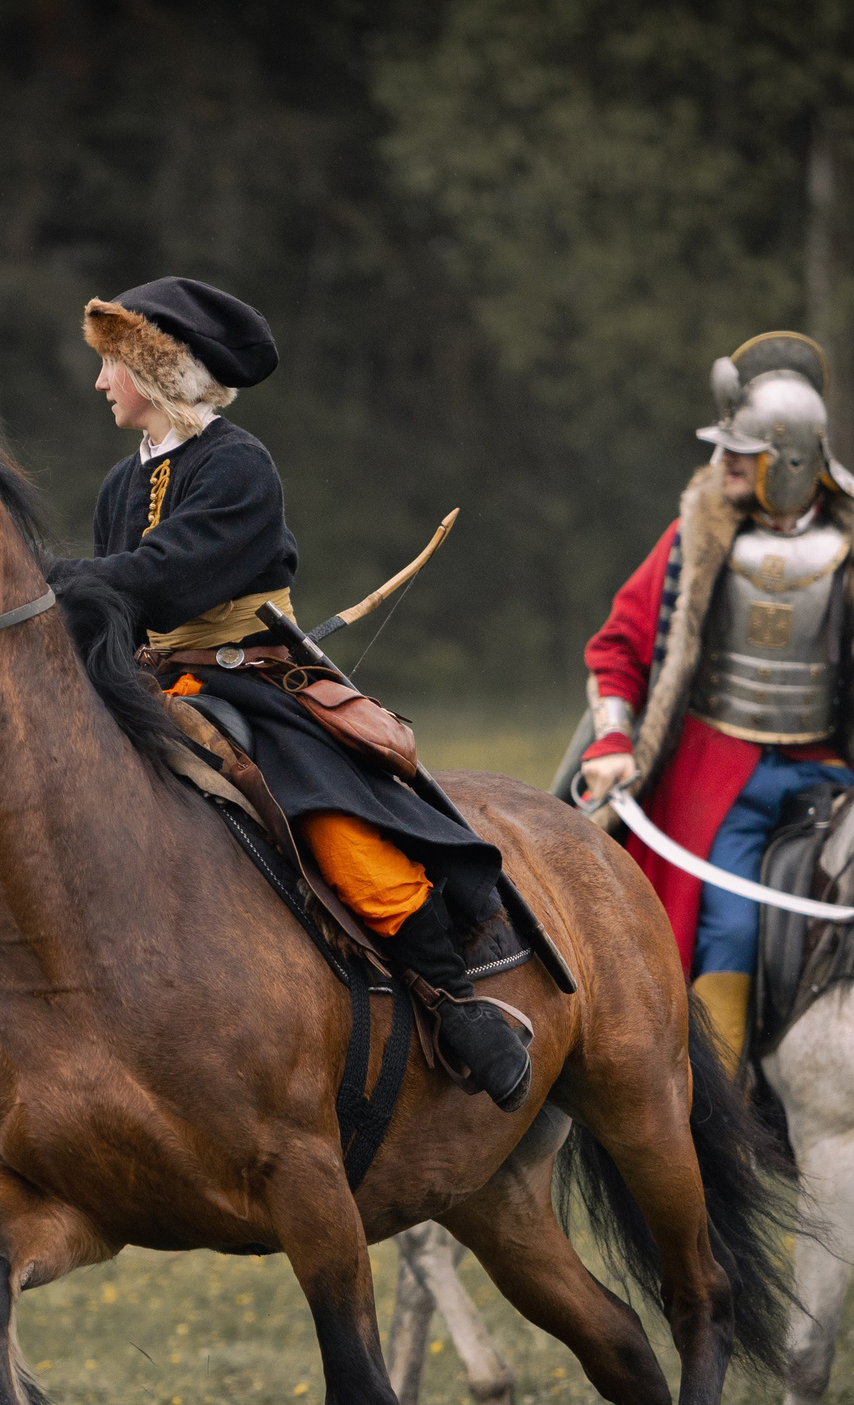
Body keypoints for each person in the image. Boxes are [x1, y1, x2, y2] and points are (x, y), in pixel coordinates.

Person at [55, 276, 530, 1109]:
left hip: (250, 684)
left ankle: (456, 1003)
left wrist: (54, 579)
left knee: (333, 823)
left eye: (113, 366)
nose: (100, 383)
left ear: (159, 371)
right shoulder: (115, 486)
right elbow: (118, 612)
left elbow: (165, 580)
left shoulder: (238, 464)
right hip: (148, 685)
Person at [575, 332, 854, 1067]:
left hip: (829, 769)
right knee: (730, 932)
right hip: (715, 776)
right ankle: (718, 1103)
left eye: (740, 455)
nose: (721, 466)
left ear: (792, 462)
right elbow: (617, 647)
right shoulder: (695, 537)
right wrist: (613, 740)